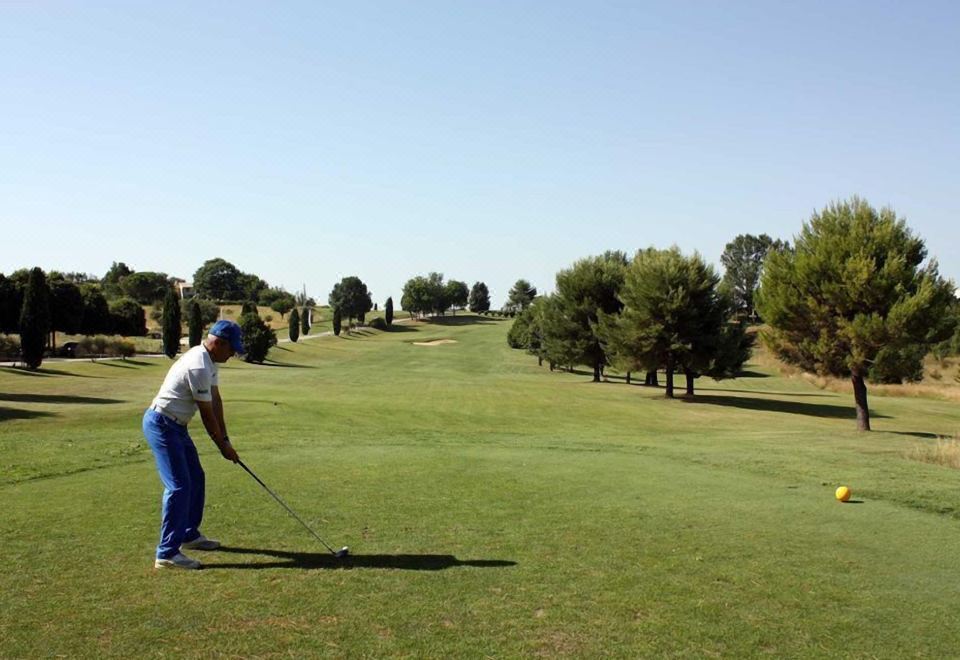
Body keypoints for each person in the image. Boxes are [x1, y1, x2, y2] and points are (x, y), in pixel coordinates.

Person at [142, 319, 244, 570]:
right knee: (179, 486)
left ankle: (188, 534)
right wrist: (222, 447)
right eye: (232, 348)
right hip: (162, 424)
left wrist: (226, 440)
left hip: (177, 427)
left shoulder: (210, 361)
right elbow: (207, 414)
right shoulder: (198, 365)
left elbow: (216, 401)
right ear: (218, 343)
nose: (233, 354)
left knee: (196, 477)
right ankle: (166, 553)